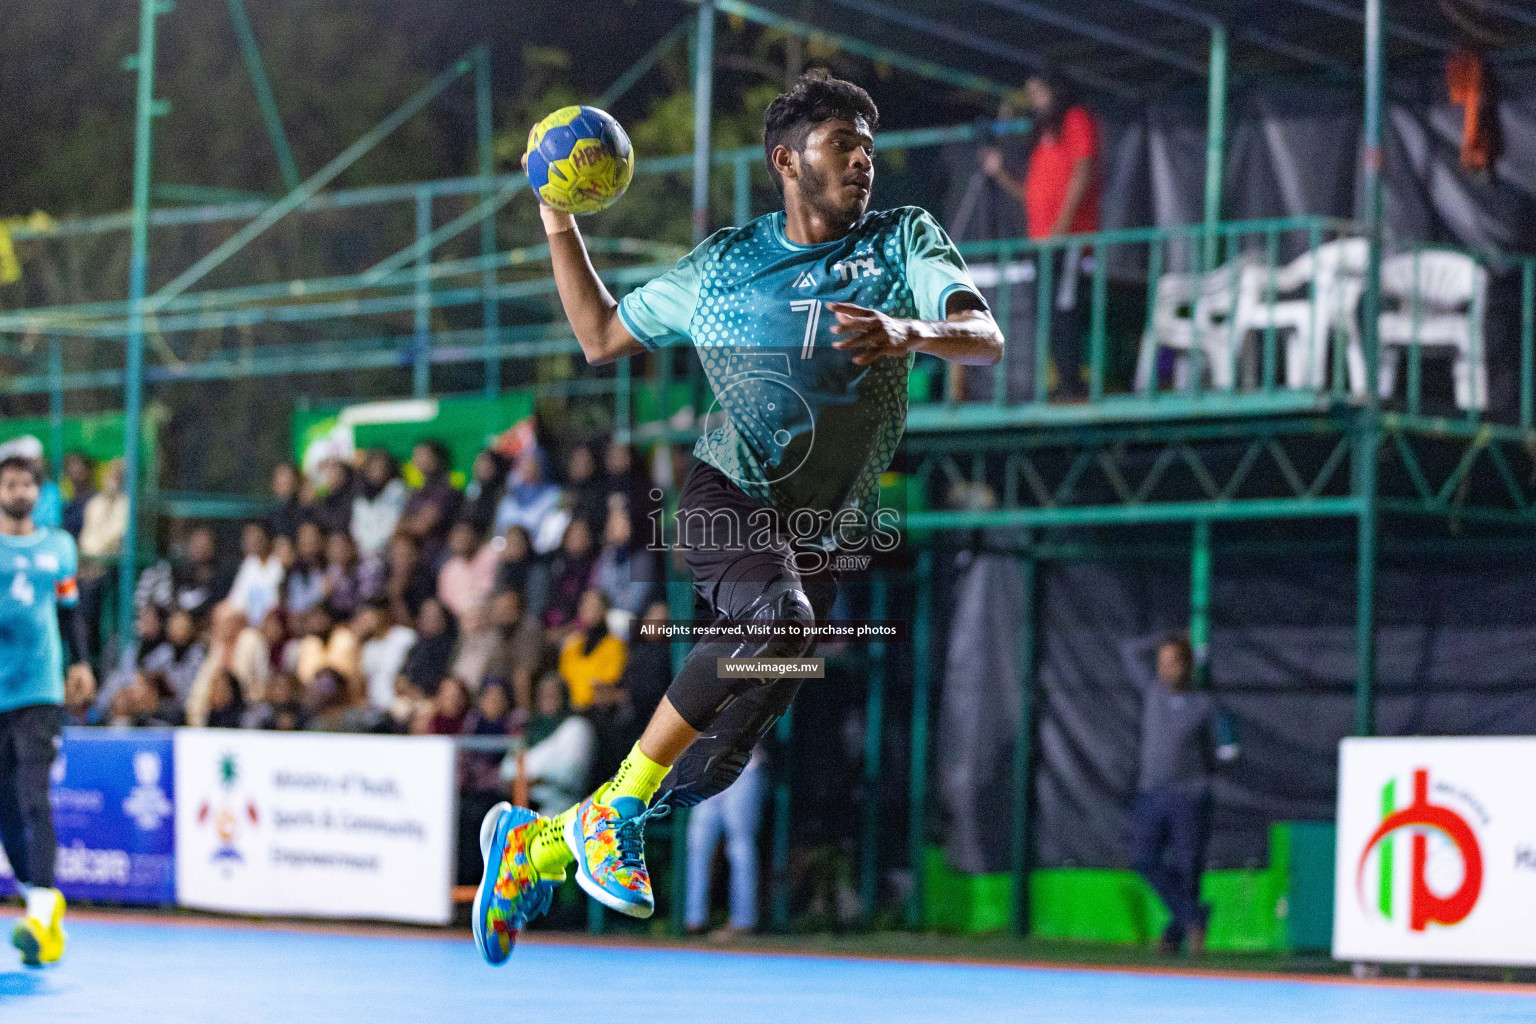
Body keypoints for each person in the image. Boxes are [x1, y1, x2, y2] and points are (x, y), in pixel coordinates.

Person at [472, 71, 1000, 961]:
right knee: (781, 624)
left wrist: (909, 332)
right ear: (787, 160)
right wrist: (558, 220)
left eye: (870, 146)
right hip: (728, 496)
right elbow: (599, 337)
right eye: (844, 144)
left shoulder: (904, 239)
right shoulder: (723, 266)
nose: (864, 160)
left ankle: (539, 845)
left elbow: (981, 336)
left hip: (817, 537)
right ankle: (612, 818)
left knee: (719, 762)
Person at [0, 451, 95, 966]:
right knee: (6, 810)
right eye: (9, 484)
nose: (18, 492)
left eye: (26, 484)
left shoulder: (58, 547)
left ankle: (38, 916)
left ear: (37, 492)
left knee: (34, 795)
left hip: (40, 691)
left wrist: (80, 662)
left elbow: (69, 610)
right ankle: (44, 907)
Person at [979, 74, 1099, 400]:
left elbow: (1083, 169)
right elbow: (1031, 194)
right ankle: (1064, 382)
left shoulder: (1075, 117)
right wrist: (1000, 173)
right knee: (1047, 312)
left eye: (1038, 91)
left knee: (1064, 310)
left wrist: (1061, 227)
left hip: (1068, 240)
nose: (1034, 99)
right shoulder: (1044, 133)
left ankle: (1074, 384)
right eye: (1030, 92)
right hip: (1041, 241)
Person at [1119, 633, 1239, 956]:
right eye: (1162, 663)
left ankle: (1173, 937)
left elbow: (1226, 740)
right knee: (1143, 858)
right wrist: (1164, 639)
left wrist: (1227, 750)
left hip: (1188, 796)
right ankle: (1192, 918)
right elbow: (1129, 649)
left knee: (1187, 870)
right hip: (1151, 794)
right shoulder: (1152, 692)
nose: (1165, 669)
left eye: (1173, 662)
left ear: (1186, 665)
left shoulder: (1204, 703)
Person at [685, 747, 767, 941]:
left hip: (743, 769)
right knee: (697, 845)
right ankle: (694, 921)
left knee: (740, 848)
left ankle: (743, 922)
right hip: (707, 770)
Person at [499, 674, 595, 816]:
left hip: (561, 807)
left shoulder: (576, 727)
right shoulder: (530, 729)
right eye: (544, 694)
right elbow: (506, 770)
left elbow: (569, 773)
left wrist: (528, 780)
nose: (548, 698)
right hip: (523, 806)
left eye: (554, 693)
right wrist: (523, 781)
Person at [351, 449, 408, 562]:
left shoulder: (397, 491)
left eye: (382, 467)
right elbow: (357, 528)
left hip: (387, 553)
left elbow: (393, 524)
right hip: (363, 554)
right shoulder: (360, 498)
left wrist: (376, 549)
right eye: (373, 468)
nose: (378, 472)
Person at [226, 520, 284, 627]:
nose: (253, 541)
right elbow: (236, 602)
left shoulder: (278, 565)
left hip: (273, 626)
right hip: (247, 625)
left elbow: (277, 604)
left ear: (266, 538)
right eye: (249, 538)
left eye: (257, 537)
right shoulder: (249, 564)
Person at [437, 520, 495, 623]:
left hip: (490, 616)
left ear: (475, 536)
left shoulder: (492, 556)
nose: (459, 539)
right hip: (461, 622)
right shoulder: (449, 569)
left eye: (464, 533)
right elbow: (447, 602)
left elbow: (493, 589)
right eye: (456, 534)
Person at [267, 462, 306, 541]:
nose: (285, 484)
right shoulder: (267, 516)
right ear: (274, 485)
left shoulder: (303, 513)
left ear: (295, 484)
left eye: (288, 481)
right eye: (281, 482)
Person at [60, 451, 94, 539]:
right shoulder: (64, 499)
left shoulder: (95, 501)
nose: (75, 471)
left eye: (79, 467)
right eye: (71, 467)